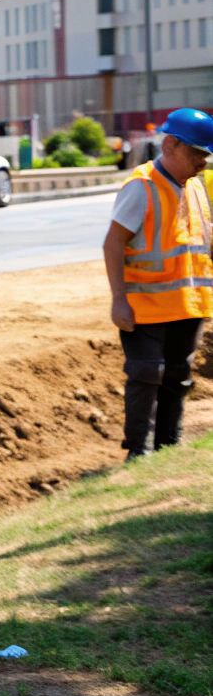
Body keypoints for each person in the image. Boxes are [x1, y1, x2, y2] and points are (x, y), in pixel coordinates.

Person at [102, 107, 212, 460]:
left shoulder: (194, 187)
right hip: (145, 306)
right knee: (147, 374)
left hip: (188, 304)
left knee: (178, 376)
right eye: (197, 153)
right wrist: (119, 299)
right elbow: (113, 243)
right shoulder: (142, 186)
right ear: (171, 145)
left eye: (206, 154)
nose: (203, 161)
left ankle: (168, 444)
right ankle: (139, 449)